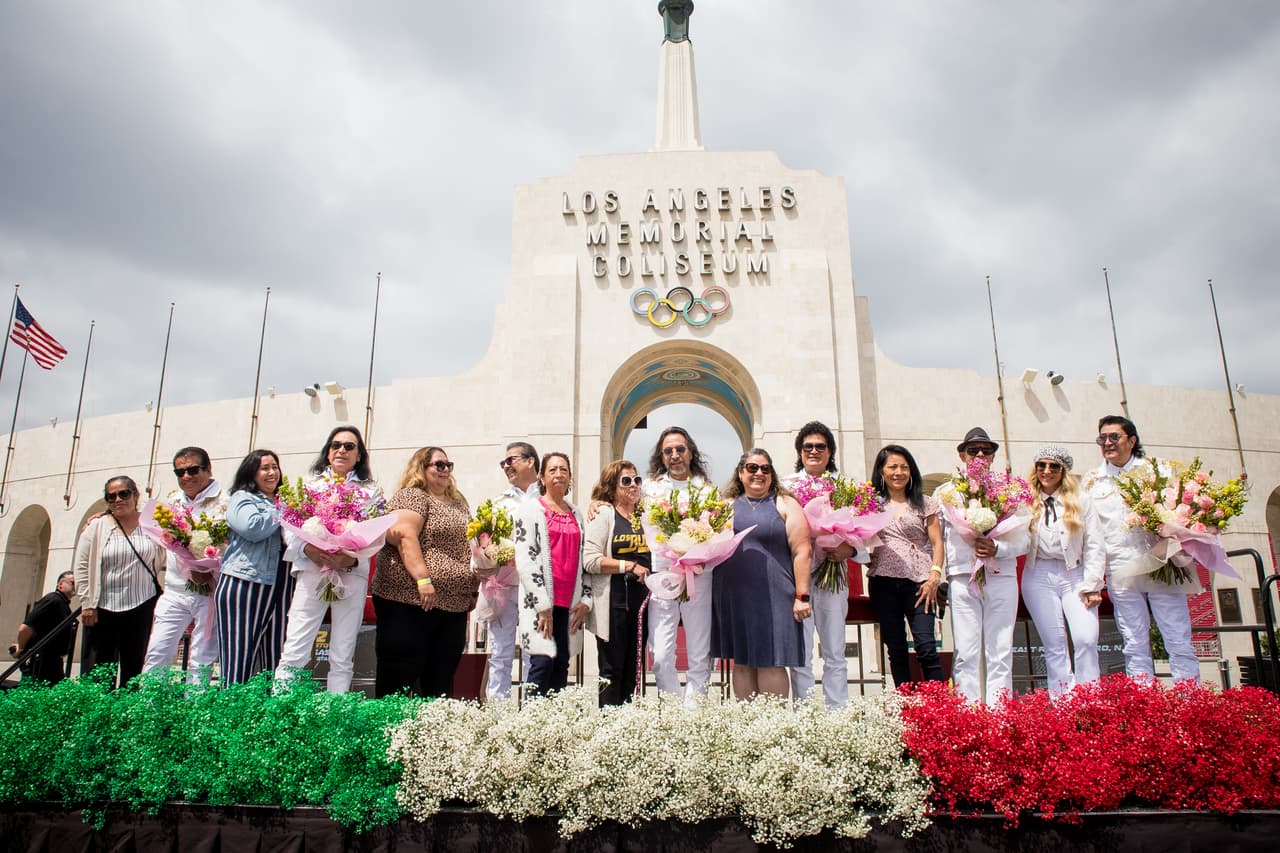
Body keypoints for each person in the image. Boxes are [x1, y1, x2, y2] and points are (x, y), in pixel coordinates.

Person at [1087, 415, 1199, 683]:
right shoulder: (1093, 482)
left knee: (1178, 639)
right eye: (1102, 438)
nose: (1107, 443)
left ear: (1132, 440)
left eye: (1114, 437)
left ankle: (1190, 699)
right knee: (1134, 642)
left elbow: (1182, 513)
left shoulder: (1158, 472)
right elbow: (1092, 534)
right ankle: (1143, 699)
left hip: (1162, 563)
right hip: (1121, 568)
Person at [275, 425, 384, 694]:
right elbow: (290, 528)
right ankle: (281, 708)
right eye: (336, 445)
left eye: (349, 446)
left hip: (351, 574)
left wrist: (349, 559)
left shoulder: (371, 493)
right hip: (313, 571)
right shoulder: (309, 486)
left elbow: (375, 536)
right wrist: (308, 550)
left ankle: (336, 709)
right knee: (295, 648)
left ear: (359, 455)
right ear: (327, 452)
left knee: (342, 653)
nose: (341, 450)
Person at [373, 447, 478, 697]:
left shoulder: (458, 502)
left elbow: (470, 547)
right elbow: (404, 535)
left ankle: (430, 722)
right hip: (409, 601)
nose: (445, 470)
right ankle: (391, 721)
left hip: (453, 607)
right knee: (399, 679)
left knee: (439, 683)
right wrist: (423, 579)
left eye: (448, 465)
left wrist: (472, 590)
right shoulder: (412, 496)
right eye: (439, 465)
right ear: (421, 467)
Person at [938, 427, 1030, 704]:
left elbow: (1025, 540)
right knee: (966, 651)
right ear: (961, 454)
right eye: (973, 450)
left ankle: (998, 713)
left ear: (993, 456)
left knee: (1000, 650)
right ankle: (969, 712)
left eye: (986, 450)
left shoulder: (1008, 492)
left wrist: (997, 548)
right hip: (962, 576)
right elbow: (938, 539)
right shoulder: (947, 493)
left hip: (1000, 575)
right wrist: (939, 576)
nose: (979, 455)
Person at [713, 449, 812, 700]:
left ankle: (773, 721)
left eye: (765, 469)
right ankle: (749, 722)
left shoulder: (785, 504)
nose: (759, 473)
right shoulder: (724, 506)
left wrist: (802, 596)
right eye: (752, 468)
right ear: (740, 473)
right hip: (734, 594)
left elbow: (802, 551)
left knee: (772, 661)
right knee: (742, 661)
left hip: (776, 595)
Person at [1023, 444, 1105, 697]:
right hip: (1038, 574)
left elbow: (1095, 543)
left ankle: (1089, 697)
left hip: (1074, 574)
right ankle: (1062, 702)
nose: (1047, 471)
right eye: (1042, 465)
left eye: (1054, 466)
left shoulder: (1081, 500)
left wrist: (1093, 584)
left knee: (1086, 639)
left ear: (1063, 471)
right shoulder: (1026, 501)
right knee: (1054, 645)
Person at [783, 421, 856, 707]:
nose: (814, 451)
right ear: (800, 452)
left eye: (820, 446)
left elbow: (864, 532)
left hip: (832, 574)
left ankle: (837, 713)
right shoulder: (786, 487)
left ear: (830, 452)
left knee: (835, 650)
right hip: (797, 578)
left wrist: (849, 549)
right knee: (801, 651)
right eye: (808, 447)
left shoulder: (845, 487)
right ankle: (804, 712)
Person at [643, 427, 716, 705]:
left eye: (680, 449)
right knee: (661, 654)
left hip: (699, 574)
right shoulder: (649, 489)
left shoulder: (707, 491)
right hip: (664, 574)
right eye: (668, 451)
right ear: (661, 457)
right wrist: (599, 502)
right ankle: (673, 709)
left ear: (690, 452)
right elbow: (620, 502)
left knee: (699, 652)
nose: (675, 455)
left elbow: (717, 530)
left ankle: (693, 714)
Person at [143, 446, 227, 680]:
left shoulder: (225, 501)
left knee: (202, 657)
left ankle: (196, 701)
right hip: (175, 589)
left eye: (193, 470)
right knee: (158, 651)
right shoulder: (173, 501)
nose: (186, 476)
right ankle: (150, 700)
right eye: (180, 472)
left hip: (210, 591)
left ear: (208, 470)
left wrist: (209, 572)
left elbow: (230, 547)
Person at [73, 475, 165, 687]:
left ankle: (127, 706)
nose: (118, 500)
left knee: (134, 667)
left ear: (136, 495)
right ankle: (98, 706)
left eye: (124, 494)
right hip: (103, 607)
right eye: (111, 496)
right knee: (98, 670)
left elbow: (171, 547)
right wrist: (87, 604)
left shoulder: (152, 523)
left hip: (141, 603)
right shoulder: (96, 527)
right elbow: (82, 567)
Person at [514, 452, 592, 696]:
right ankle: (532, 718)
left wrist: (586, 599)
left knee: (561, 666)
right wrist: (542, 604)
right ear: (542, 478)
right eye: (553, 470)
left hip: (568, 605)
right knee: (542, 664)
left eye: (564, 470)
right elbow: (525, 560)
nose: (559, 474)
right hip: (541, 604)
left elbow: (585, 560)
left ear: (570, 477)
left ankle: (556, 719)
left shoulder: (577, 514)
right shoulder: (530, 510)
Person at [866, 445, 944, 687]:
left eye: (904, 467)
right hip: (883, 582)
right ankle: (906, 702)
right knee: (896, 649)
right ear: (882, 471)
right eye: (892, 467)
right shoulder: (871, 504)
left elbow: (937, 542)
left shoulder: (925, 503)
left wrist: (935, 576)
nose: (898, 472)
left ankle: (939, 703)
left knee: (926, 647)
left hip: (920, 584)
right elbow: (859, 539)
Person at [215, 450, 292, 685]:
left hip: (282, 585)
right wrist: (283, 510)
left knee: (278, 660)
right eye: (264, 468)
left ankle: (272, 707)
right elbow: (252, 527)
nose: (272, 472)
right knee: (238, 660)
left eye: (275, 467)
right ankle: (234, 704)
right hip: (245, 584)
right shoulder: (242, 498)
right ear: (251, 473)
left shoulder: (285, 500)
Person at [476, 441, 541, 700]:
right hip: (504, 586)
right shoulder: (498, 503)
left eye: (511, 460)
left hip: (537, 588)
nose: (506, 466)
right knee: (500, 653)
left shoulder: (548, 499)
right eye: (503, 463)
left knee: (533, 654)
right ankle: (497, 711)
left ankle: (531, 711)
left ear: (530, 461)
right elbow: (482, 541)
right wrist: (480, 564)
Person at [583, 460, 651, 705]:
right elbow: (590, 560)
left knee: (633, 670)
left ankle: (627, 723)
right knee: (612, 671)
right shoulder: (604, 514)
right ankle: (608, 723)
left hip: (641, 604)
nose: (633, 485)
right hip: (613, 604)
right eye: (626, 481)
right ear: (612, 487)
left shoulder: (645, 516)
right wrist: (628, 566)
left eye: (637, 480)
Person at [8, 571, 76, 683]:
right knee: (35, 690)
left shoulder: (62, 603)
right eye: (73, 583)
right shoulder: (52, 600)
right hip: (41, 661)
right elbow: (25, 628)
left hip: (52, 661)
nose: (76, 586)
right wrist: (21, 649)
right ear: (60, 585)